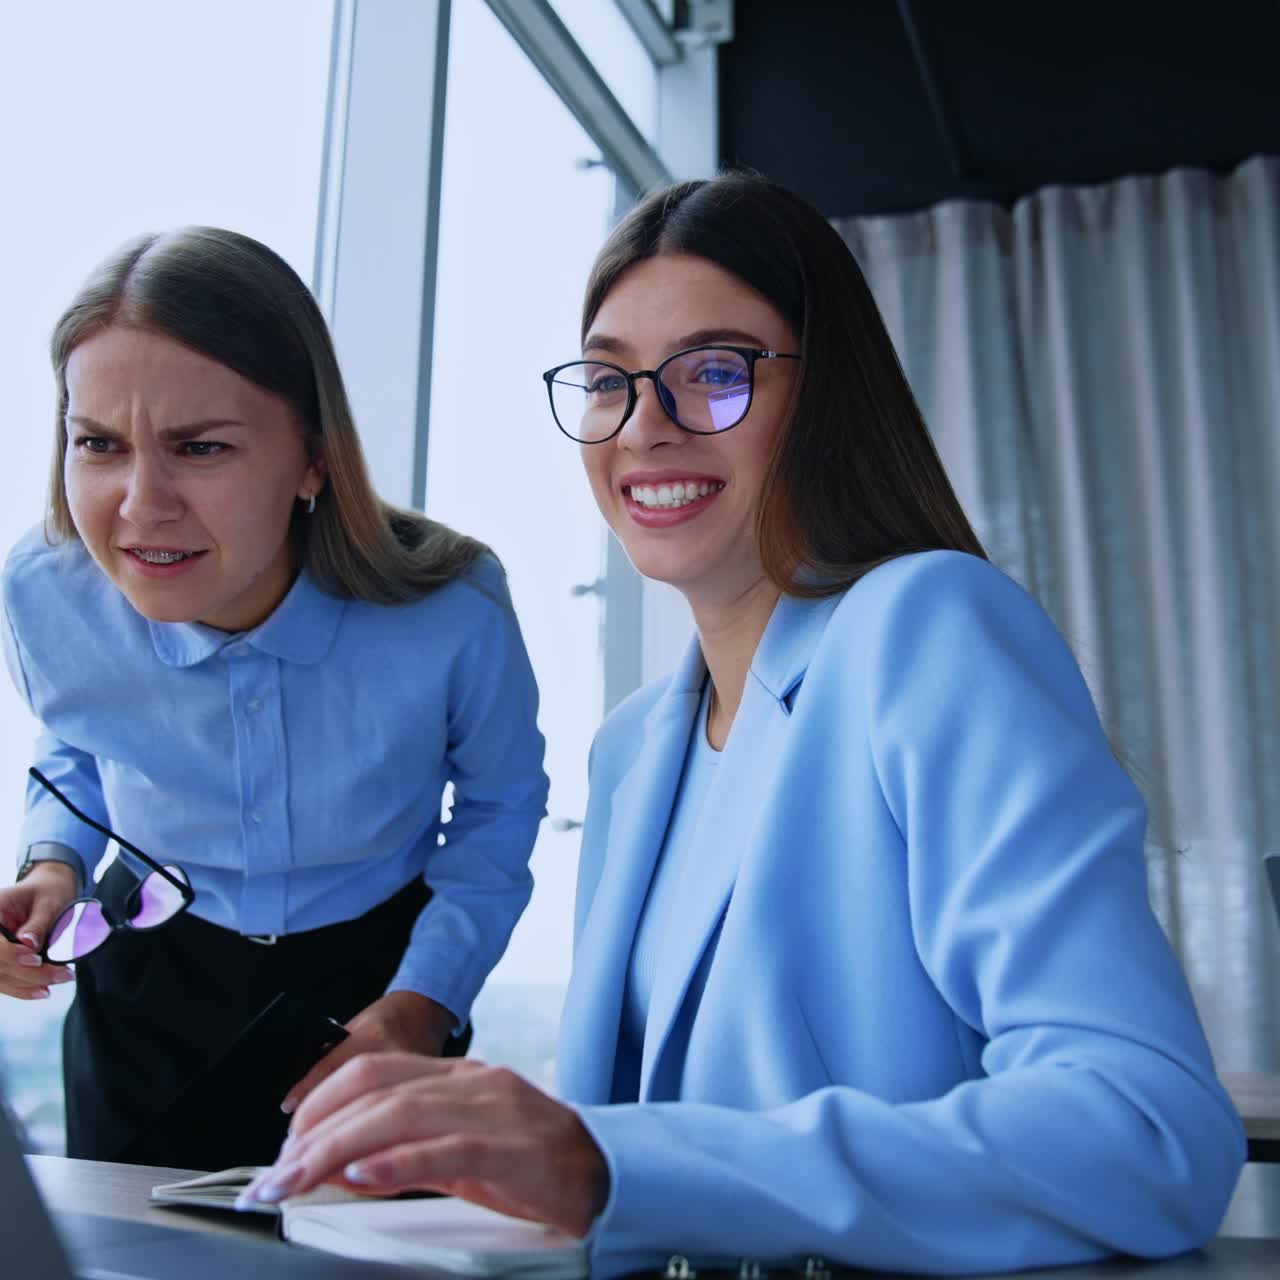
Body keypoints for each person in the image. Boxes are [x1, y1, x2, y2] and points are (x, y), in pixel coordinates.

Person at [237, 175, 1245, 1274]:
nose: (645, 427)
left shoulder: (926, 626)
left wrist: (604, 1164)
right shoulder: (631, 752)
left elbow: (1142, 1129)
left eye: (713, 373)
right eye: (610, 380)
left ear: (825, 396)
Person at [0, 227, 548, 1169]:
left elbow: (501, 809)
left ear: (314, 459)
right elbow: (81, 747)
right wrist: (53, 868)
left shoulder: (453, 609)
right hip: (144, 992)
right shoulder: (42, 591)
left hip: (379, 990)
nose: (139, 503)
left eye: (199, 448)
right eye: (97, 444)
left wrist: (428, 998)